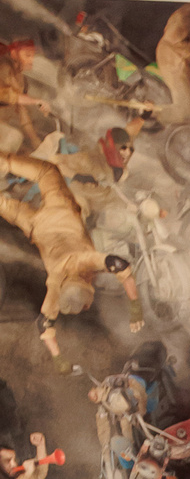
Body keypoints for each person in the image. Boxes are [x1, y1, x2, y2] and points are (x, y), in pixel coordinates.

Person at [0, 152, 144, 365]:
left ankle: (5, 162)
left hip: (59, 208)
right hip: (34, 227)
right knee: (3, 205)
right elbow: (45, 326)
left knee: (46, 171)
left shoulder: (85, 261)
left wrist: (135, 307)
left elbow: (120, 265)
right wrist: (58, 360)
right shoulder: (55, 285)